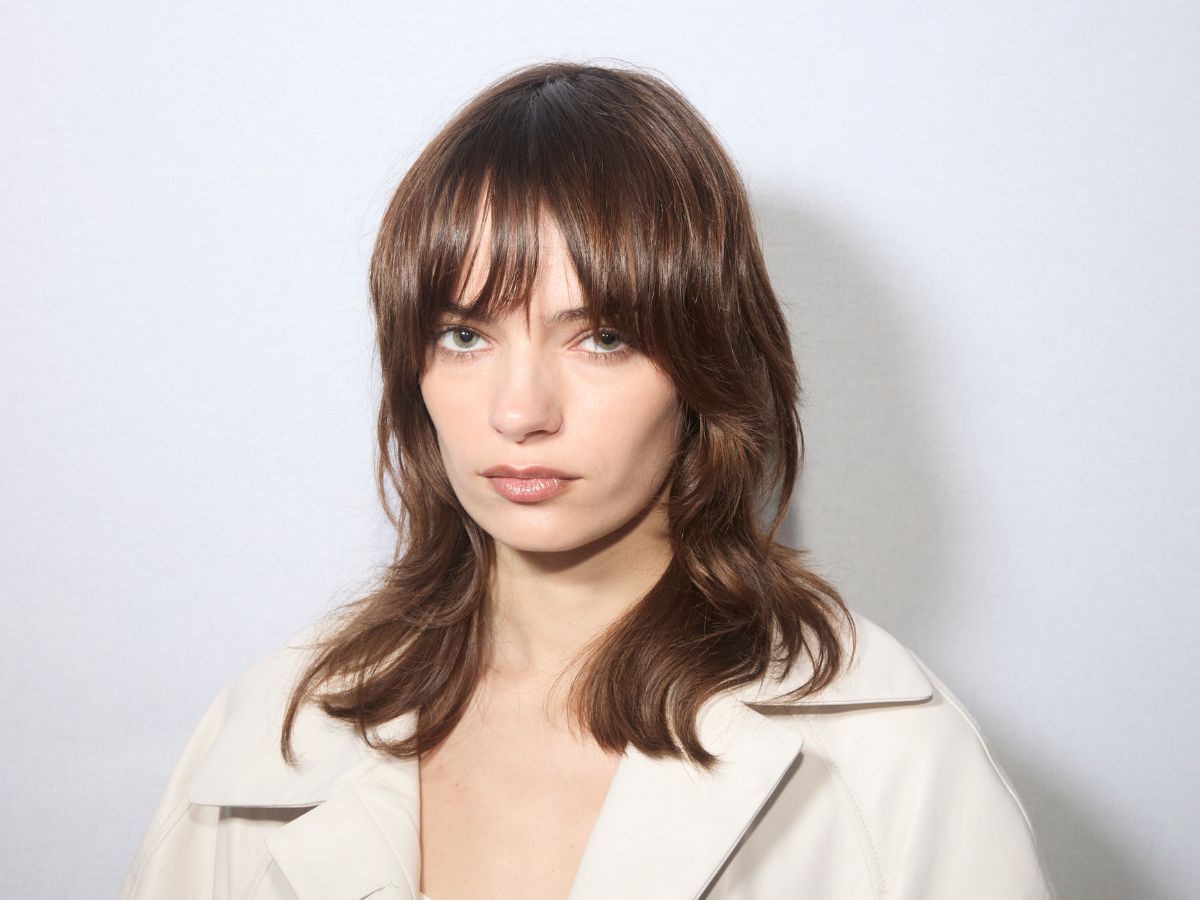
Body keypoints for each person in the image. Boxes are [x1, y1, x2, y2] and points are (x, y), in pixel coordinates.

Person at [118, 60, 1055, 900]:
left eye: (602, 337)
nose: (520, 411)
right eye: (465, 335)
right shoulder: (267, 733)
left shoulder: (894, 765)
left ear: (706, 363)